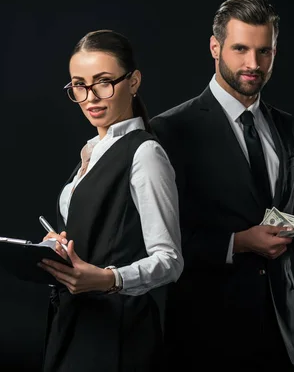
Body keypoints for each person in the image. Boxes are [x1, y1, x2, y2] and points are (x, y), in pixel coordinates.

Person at [150, 0, 294, 372]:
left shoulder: (287, 128)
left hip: (281, 334)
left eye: (264, 51)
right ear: (215, 47)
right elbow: (159, 240)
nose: (253, 64)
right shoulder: (169, 130)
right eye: (240, 49)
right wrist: (239, 242)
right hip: (205, 337)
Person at [37, 29, 184, 372]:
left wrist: (109, 278)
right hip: (75, 320)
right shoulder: (91, 151)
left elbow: (170, 260)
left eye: (103, 82)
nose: (90, 97)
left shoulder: (145, 153)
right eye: (79, 85)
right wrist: (57, 246)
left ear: (133, 82)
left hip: (121, 331)